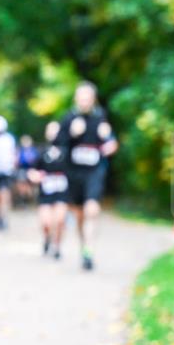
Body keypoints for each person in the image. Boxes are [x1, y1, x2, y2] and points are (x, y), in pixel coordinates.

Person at [55, 81, 118, 271]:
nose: (84, 101)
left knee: (92, 209)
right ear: (76, 98)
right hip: (74, 174)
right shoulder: (68, 119)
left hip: (94, 171)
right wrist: (72, 134)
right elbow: (57, 145)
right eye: (81, 97)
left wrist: (110, 144)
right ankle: (85, 249)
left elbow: (111, 142)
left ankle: (89, 249)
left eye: (88, 97)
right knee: (80, 215)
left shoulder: (101, 118)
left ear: (93, 99)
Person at [28, 121, 69, 259]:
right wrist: (34, 176)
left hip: (62, 192)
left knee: (60, 220)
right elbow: (32, 170)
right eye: (50, 130)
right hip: (45, 192)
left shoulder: (67, 151)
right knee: (46, 222)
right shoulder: (41, 151)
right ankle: (47, 238)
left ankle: (57, 246)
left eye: (56, 131)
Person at [15, 134, 39, 206]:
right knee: (21, 185)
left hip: (31, 169)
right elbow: (17, 161)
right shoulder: (20, 151)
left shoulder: (34, 150)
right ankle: (23, 200)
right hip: (22, 169)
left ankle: (31, 199)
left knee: (32, 187)